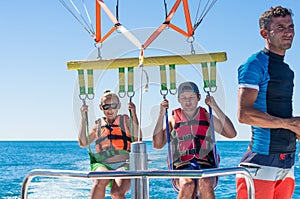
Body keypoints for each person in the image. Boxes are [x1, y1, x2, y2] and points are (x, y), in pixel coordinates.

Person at [236, 6, 300, 199]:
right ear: (265, 33)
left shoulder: (288, 71)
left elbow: (281, 112)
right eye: (280, 27)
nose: (288, 32)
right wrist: (288, 123)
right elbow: (244, 114)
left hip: (287, 161)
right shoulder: (254, 64)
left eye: (290, 26)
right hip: (261, 163)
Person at [153, 81, 237, 199]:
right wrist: (161, 114)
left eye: (191, 97)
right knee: (188, 184)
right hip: (182, 168)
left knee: (205, 182)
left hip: (206, 166)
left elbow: (231, 133)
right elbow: (157, 144)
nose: (188, 101)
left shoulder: (206, 116)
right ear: (179, 99)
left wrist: (214, 106)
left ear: (198, 97)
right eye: (184, 98)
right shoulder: (173, 119)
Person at [78, 90, 141, 199]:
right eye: (106, 106)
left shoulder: (125, 121)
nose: (110, 110)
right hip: (103, 165)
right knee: (100, 180)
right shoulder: (98, 126)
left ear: (119, 106)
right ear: (101, 107)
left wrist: (134, 113)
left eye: (113, 106)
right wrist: (83, 118)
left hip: (124, 164)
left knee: (116, 192)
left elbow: (137, 138)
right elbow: (83, 143)